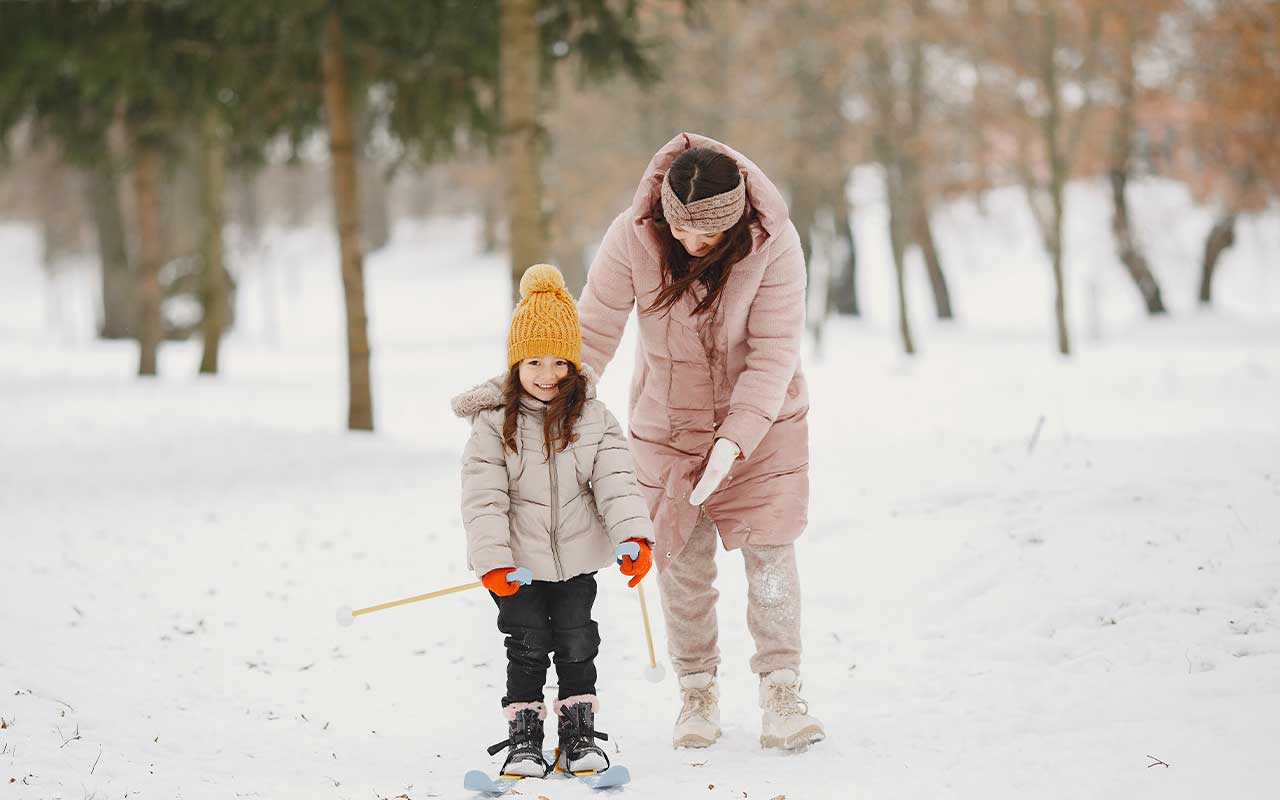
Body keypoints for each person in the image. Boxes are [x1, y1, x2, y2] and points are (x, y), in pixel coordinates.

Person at [576, 133, 824, 750]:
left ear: (736, 219)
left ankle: (782, 689)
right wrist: (560, 400)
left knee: (769, 554)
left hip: (764, 428)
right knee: (681, 565)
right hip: (667, 428)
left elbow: (772, 355)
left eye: (707, 235)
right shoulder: (632, 235)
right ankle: (696, 691)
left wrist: (735, 442)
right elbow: (595, 325)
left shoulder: (775, 244)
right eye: (681, 230)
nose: (691, 244)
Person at [452, 264, 656, 777]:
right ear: (515, 363)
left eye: (560, 361)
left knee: (577, 642)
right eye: (534, 361)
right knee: (526, 647)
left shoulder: (593, 419)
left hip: (576, 561)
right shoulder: (493, 424)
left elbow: (616, 482)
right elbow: (484, 499)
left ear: (574, 363)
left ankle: (578, 733)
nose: (547, 374)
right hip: (516, 566)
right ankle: (524, 737)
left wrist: (633, 535)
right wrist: (493, 561)